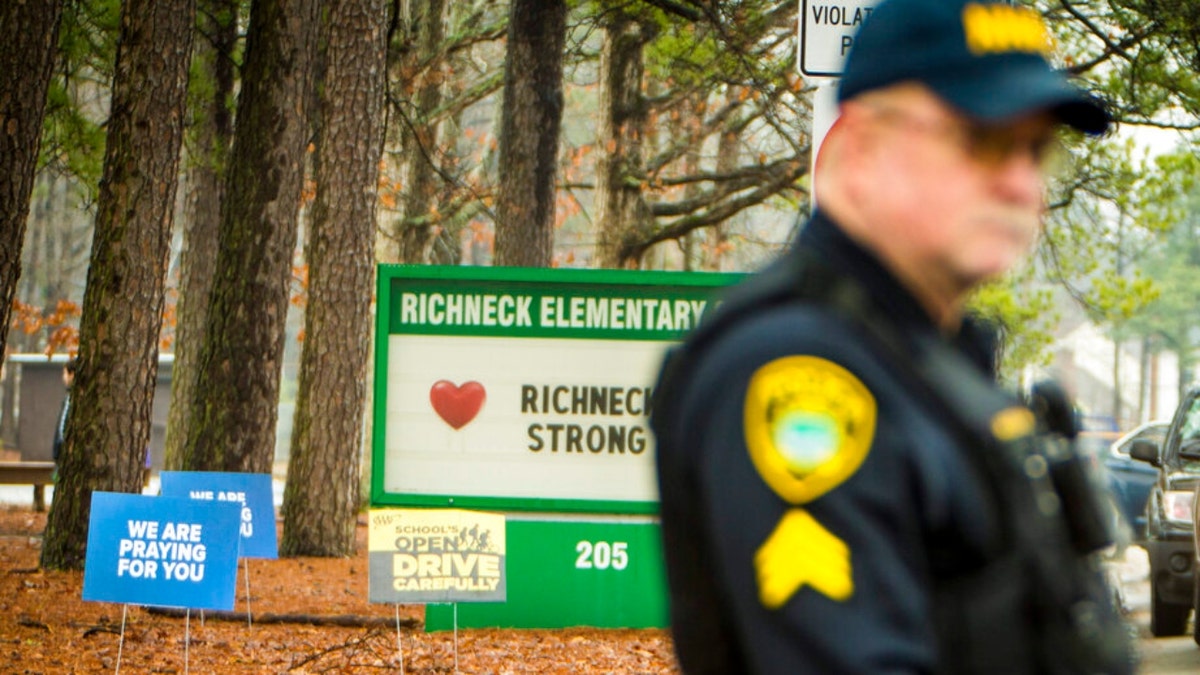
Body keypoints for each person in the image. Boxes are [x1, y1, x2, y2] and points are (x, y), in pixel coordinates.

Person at [650, 0, 1134, 672]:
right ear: (859, 150)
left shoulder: (929, 360)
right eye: (980, 140)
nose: (1020, 181)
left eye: (1035, 149)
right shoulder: (795, 372)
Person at [51, 357, 78, 473]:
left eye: (65, 373)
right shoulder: (67, 397)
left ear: (72, 374)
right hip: (61, 455)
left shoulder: (75, 399)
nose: (63, 377)